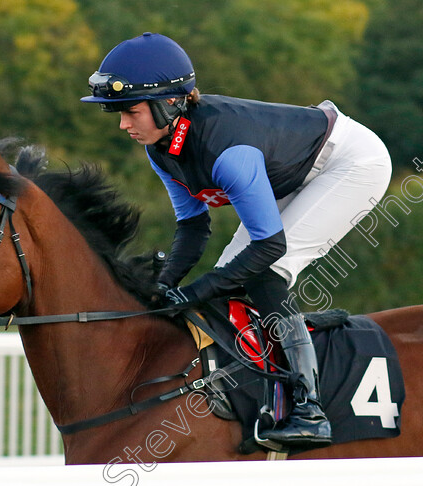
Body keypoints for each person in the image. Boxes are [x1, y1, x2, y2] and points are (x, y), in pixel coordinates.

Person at [81, 32, 392, 449]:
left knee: (264, 273)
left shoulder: (226, 150)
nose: (123, 125)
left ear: (170, 103)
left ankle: (309, 409)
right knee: (230, 281)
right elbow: (194, 228)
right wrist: (164, 288)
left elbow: (269, 247)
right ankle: (261, 392)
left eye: (130, 112)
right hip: (295, 168)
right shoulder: (161, 148)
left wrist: (192, 292)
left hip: (351, 162)